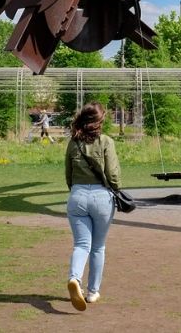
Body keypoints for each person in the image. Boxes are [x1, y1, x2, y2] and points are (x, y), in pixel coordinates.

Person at [63, 102, 119, 311]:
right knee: (98, 247)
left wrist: (76, 190)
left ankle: (74, 278)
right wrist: (116, 189)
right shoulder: (106, 142)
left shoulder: (73, 143)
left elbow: (68, 174)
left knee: (81, 245)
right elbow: (113, 173)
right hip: (101, 197)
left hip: (77, 195)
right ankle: (93, 291)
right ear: (98, 122)